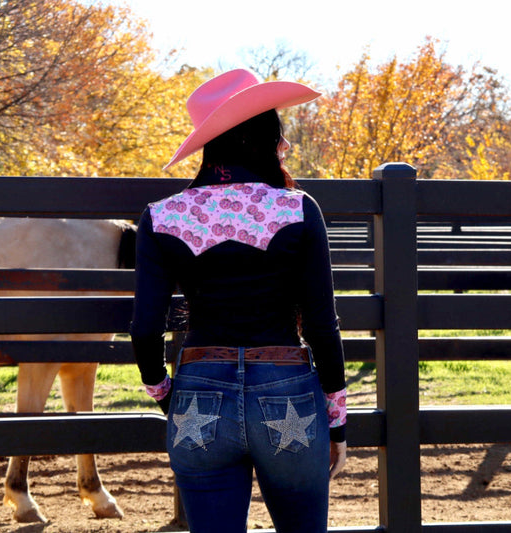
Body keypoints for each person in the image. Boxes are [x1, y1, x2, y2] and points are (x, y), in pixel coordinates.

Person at [130, 68, 347, 533]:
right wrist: (337, 420)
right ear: (260, 138)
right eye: (277, 133)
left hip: (199, 393)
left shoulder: (161, 216)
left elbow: (144, 330)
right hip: (288, 391)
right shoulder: (298, 209)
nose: (282, 145)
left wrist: (166, 396)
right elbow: (322, 326)